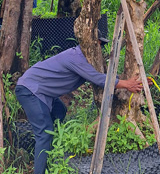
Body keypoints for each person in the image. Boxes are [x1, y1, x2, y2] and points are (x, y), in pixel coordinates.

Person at [15, 43, 143, 174]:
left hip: (44, 91)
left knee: (60, 112)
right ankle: (40, 167)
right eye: (97, 44)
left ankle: (50, 150)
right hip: (31, 90)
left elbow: (101, 75)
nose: (99, 49)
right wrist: (126, 84)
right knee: (44, 132)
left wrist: (129, 81)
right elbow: (98, 79)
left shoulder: (85, 60)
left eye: (101, 46)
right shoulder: (75, 57)